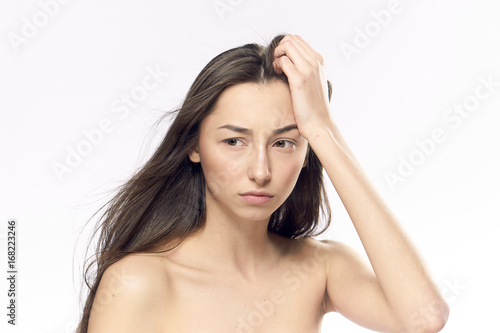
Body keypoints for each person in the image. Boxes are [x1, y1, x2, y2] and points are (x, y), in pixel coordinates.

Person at [77, 34, 449, 332]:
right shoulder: (139, 282)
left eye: (284, 143)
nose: (260, 171)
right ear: (194, 145)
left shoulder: (318, 268)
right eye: (234, 141)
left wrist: (322, 129)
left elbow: (424, 318)